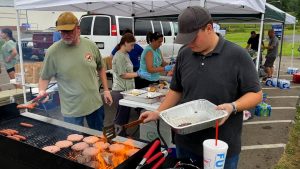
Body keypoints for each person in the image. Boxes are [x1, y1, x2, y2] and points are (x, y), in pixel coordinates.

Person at [139, 6, 262, 169]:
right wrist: (158, 112)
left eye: (192, 38)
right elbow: (176, 90)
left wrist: (232, 107)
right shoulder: (184, 53)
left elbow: (256, 94)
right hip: (186, 143)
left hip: (220, 147)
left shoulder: (238, 55)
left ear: (209, 28)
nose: (189, 44)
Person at [38, 12, 113, 131]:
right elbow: (44, 77)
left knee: (99, 140)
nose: (66, 35)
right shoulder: (53, 52)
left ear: (78, 29)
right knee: (75, 144)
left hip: (95, 104)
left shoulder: (90, 45)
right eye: (62, 32)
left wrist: (107, 90)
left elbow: (101, 67)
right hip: (72, 109)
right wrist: (42, 91)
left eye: (69, 31)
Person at [111, 33, 150, 136]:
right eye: (132, 45)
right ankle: (117, 138)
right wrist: (138, 74)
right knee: (121, 117)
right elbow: (123, 74)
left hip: (127, 90)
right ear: (125, 43)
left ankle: (122, 135)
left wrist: (139, 71)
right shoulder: (119, 56)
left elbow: (129, 70)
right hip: (120, 90)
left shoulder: (126, 55)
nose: (133, 48)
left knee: (125, 116)